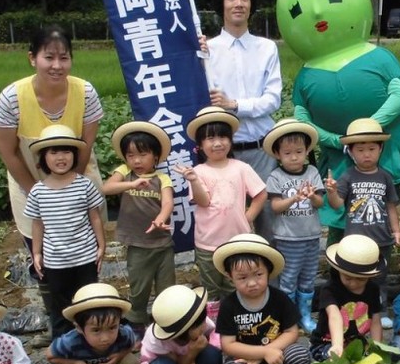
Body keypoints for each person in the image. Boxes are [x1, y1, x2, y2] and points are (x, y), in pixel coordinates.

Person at [274, 0, 400, 241]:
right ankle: (340, 263)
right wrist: (334, 140)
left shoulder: (379, 57)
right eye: (297, 10)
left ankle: (381, 252)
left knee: (380, 201)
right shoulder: (306, 74)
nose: (316, 11)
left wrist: (367, 131)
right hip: (336, 157)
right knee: (338, 207)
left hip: (380, 152)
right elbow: (303, 119)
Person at [0, 26, 106, 330]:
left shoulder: (86, 92)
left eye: (64, 58)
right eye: (49, 57)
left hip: (78, 175)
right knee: (42, 251)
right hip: (27, 177)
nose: (57, 65)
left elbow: (85, 145)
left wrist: (71, 189)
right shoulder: (13, 97)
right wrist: (39, 193)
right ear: (33, 58)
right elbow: (8, 151)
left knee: (85, 246)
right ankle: (58, 320)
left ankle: (90, 321)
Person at [203, 0, 283, 240]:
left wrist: (234, 105)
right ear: (221, 5)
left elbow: (273, 99)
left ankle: (271, 279)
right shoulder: (206, 51)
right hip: (224, 152)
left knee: (268, 219)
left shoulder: (266, 48)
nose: (239, 4)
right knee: (224, 217)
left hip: (262, 148)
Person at [175, 107, 267, 330]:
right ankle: (215, 324)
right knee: (212, 286)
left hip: (238, 242)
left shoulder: (241, 168)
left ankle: (239, 320)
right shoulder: (199, 171)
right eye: (210, 138)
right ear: (200, 145)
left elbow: (260, 193)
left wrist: (249, 216)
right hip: (208, 243)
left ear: (231, 140)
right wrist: (194, 180)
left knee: (237, 283)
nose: (217, 143)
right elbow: (203, 201)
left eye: (223, 137)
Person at [24, 125, 105, 338]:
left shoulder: (84, 185)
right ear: (43, 157)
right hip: (56, 259)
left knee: (89, 300)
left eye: (66, 151)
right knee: (59, 303)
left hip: (85, 255)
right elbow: (37, 224)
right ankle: (63, 343)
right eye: (54, 152)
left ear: (75, 155)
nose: (61, 157)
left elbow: (94, 216)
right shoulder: (38, 191)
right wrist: (37, 253)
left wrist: (101, 245)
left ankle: (92, 338)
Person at [212, 234, 313, 364]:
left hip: (278, 354)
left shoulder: (279, 298)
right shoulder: (229, 305)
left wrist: (269, 351)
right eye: (242, 277)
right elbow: (228, 345)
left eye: (258, 275)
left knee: (300, 354)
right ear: (230, 276)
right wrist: (262, 353)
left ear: (268, 271)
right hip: (246, 358)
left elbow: (291, 332)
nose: (252, 283)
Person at [325, 118, 400, 327]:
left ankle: (381, 311)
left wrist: (396, 230)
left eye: (371, 149)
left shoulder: (385, 177)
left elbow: (391, 206)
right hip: (356, 241)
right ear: (350, 151)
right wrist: (331, 192)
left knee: (380, 278)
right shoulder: (348, 176)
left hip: (382, 240)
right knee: (354, 279)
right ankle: (352, 311)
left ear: (380, 149)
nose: (366, 154)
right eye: (360, 150)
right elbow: (337, 204)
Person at [101, 121, 175, 334]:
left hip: (162, 244)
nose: (136, 160)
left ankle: (166, 322)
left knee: (166, 288)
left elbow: (168, 203)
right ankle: (137, 324)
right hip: (138, 244)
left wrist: (161, 218)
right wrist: (131, 184)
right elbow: (107, 187)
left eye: (142, 154)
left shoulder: (162, 178)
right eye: (131, 155)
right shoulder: (125, 173)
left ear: (156, 156)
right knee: (139, 286)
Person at [263, 119, 326, 333]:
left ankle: (305, 317)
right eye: (288, 153)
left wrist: (311, 197)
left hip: (311, 236)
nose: (294, 157)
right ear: (278, 154)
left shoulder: (312, 173)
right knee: (288, 279)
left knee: (308, 278)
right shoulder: (276, 177)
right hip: (288, 238)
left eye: (299, 151)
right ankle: (288, 318)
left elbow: (320, 202)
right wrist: (294, 198)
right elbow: (275, 207)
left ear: (307, 151)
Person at [311, 234, 384, 361]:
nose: (353, 283)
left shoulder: (373, 289)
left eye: (360, 279)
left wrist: (378, 347)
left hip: (356, 342)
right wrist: (337, 346)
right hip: (327, 342)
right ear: (338, 270)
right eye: (348, 278)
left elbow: (376, 321)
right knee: (333, 360)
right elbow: (334, 316)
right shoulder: (329, 290)